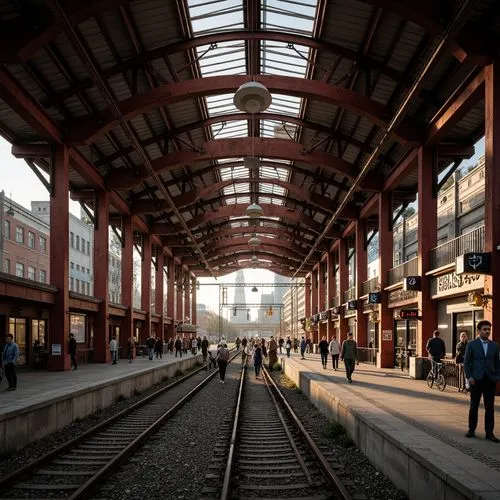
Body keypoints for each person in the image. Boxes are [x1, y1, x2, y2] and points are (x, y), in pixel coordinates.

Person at [464, 320, 500, 442]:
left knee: (489, 407)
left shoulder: (494, 345)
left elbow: (497, 363)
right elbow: (466, 363)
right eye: (485, 329)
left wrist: (497, 377)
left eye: (489, 329)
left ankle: (489, 433)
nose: (487, 331)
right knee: (474, 406)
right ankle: (471, 430)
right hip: (476, 380)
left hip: (490, 380)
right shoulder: (471, 344)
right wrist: (469, 377)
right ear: (479, 331)